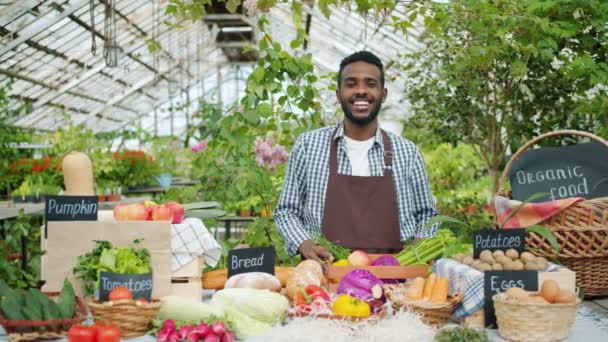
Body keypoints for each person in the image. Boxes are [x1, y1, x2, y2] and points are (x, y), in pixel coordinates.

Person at [274, 51, 439, 263]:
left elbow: (428, 215)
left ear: (384, 94)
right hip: (326, 274)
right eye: (351, 84)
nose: (361, 90)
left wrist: (420, 246)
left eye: (370, 84)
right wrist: (304, 244)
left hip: (396, 278)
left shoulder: (407, 152)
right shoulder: (308, 146)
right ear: (338, 94)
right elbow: (287, 210)